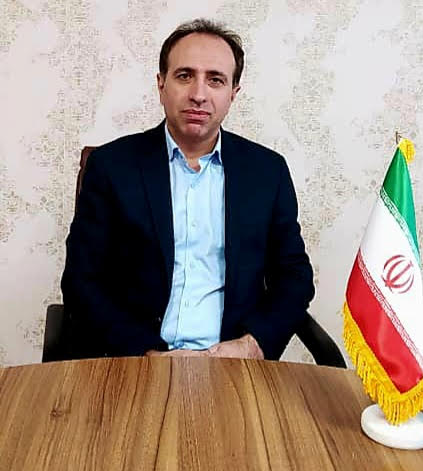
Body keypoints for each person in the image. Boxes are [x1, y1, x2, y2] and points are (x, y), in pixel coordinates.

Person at [61, 19, 314, 360]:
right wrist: (147, 353)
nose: (199, 94)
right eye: (184, 76)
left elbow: (294, 277)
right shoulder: (111, 167)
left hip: (232, 361)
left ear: (233, 93)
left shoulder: (267, 172)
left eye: (215, 80)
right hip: (136, 360)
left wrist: (251, 345)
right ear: (161, 84)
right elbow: (81, 281)